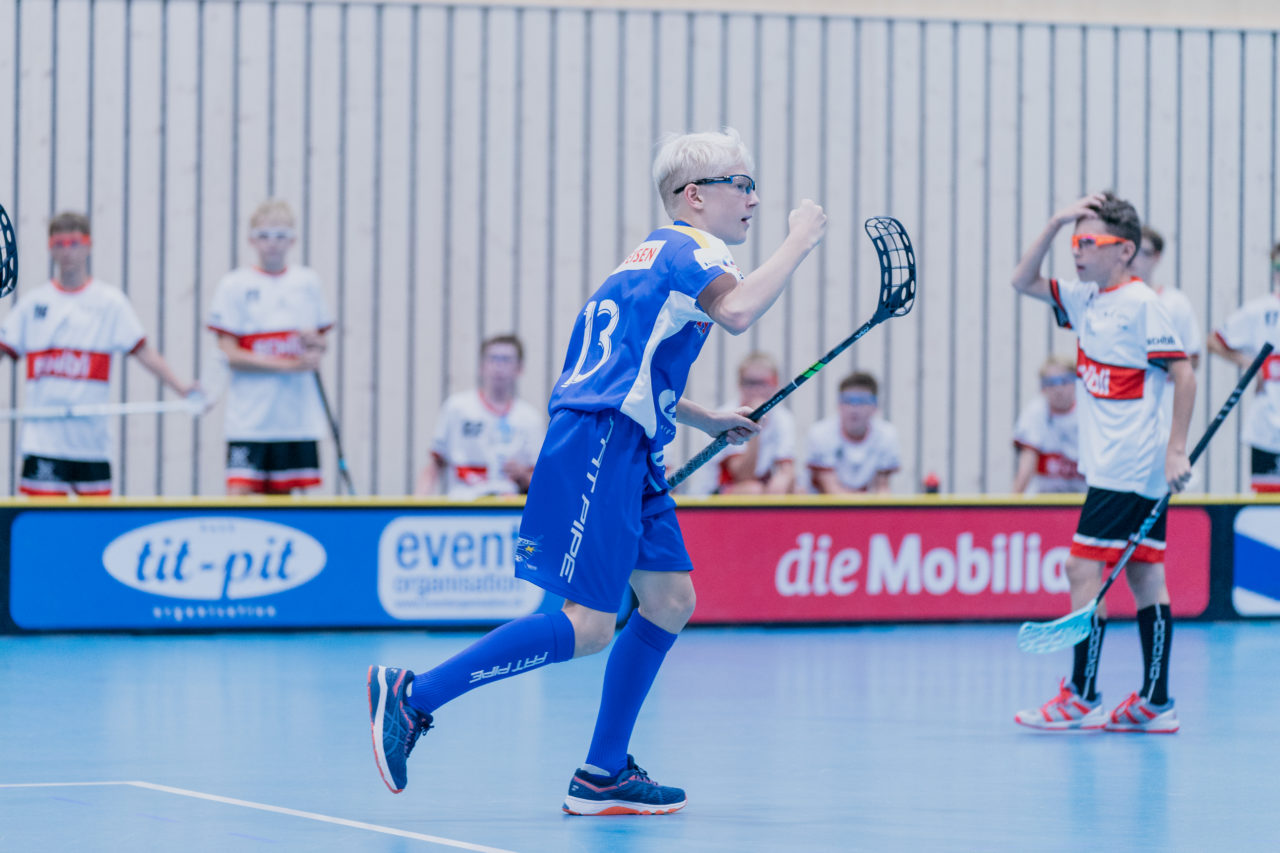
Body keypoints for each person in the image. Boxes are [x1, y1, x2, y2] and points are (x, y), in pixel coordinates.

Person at [368, 127, 827, 813]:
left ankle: (603, 772)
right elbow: (735, 311)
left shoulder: (647, 255)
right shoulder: (697, 247)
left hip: (630, 440)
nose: (754, 196)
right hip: (602, 440)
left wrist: (700, 417)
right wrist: (799, 239)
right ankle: (413, 695)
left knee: (670, 600)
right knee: (587, 624)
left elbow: (628, 359)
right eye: (742, 182)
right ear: (694, 196)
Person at [1010, 191, 1195, 734]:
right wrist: (1054, 221)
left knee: (1080, 568)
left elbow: (1184, 373)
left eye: (1089, 241)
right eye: (1075, 241)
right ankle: (1156, 703)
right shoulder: (1088, 299)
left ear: (1125, 251)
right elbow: (1022, 281)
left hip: (1129, 466)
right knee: (1144, 576)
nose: (1077, 251)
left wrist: (1176, 448)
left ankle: (1082, 695)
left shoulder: (1142, 304)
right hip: (1119, 466)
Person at [0, 212, 196, 496]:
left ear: (88, 246)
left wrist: (182, 388)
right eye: (60, 243)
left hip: (91, 444)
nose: (68, 251)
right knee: (41, 530)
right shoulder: (33, 304)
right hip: (42, 443)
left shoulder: (110, 303)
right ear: (50, 247)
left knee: (94, 530)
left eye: (75, 242)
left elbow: (143, 352)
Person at [207, 198, 334, 495]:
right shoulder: (234, 285)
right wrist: (288, 365)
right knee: (238, 494)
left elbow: (320, 343)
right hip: (250, 420)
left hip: (295, 419)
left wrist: (314, 346)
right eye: (264, 236)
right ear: (252, 240)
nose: (272, 245)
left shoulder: (307, 283)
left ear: (292, 240)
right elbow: (229, 352)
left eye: (280, 236)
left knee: (285, 502)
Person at [415, 334, 543, 499]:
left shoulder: (530, 418)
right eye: (493, 359)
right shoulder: (457, 408)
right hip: (463, 505)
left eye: (506, 360)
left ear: (519, 368)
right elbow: (434, 464)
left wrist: (522, 476)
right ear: (482, 366)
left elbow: (542, 482)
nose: (499, 366)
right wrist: (417, 504)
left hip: (508, 510)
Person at [1206, 241, 1280, 493]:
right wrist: (1252, 365)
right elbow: (1214, 341)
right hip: (1268, 426)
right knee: (1268, 507)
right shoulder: (1259, 310)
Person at [682, 351, 796, 495]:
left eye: (763, 382)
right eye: (749, 383)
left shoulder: (783, 418)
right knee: (753, 490)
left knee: (792, 487)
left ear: (775, 384)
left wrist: (783, 481)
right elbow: (743, 475)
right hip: (716, 492)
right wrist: (756, 424)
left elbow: (786, 469)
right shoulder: (727, 416)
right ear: (739, 384)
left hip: (758, 486)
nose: (756, 390)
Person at [805, 371, 900, 494]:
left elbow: (882, 488)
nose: (854, 409)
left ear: (875, 406)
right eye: (848, 400)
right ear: (838, 404)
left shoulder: (887, 435)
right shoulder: (820, 434)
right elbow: (831, 491)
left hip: (863, 508)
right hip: (823, 509)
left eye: (862, 401)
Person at [1012, 355, 1086, 494]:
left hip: (1082, 500)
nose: (1058, 389)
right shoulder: (1036, 412)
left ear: (1076, 382)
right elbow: (1027, 463)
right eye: (1051, 383)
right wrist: (1010, 510)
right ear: (1042, 388)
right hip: (1043, 502)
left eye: (1064, 381)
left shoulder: (1088, 410)